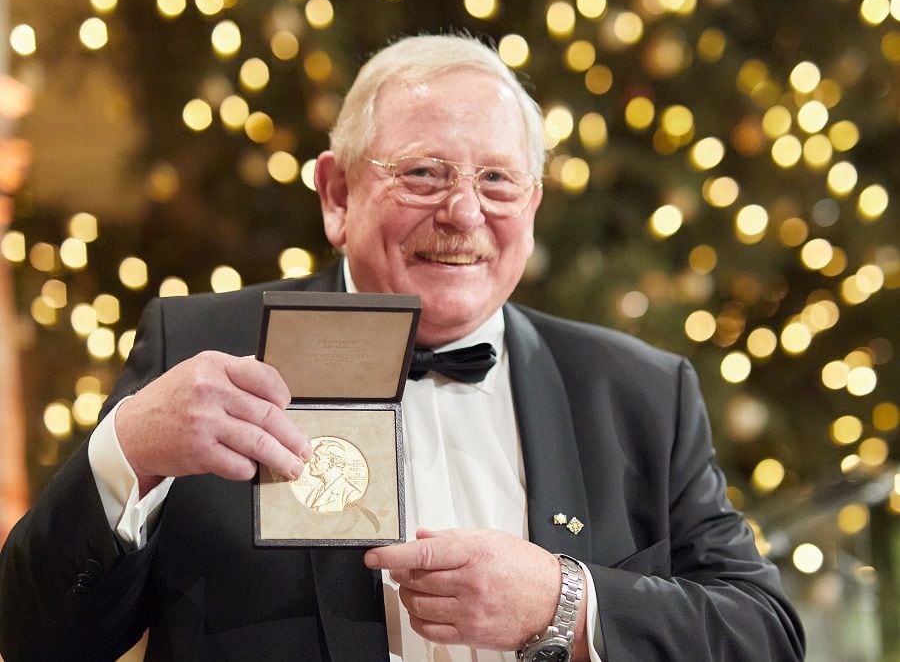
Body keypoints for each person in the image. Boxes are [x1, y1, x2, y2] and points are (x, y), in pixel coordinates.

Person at [0, 34, 805, 661]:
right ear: (337, 194)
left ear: (533, 203)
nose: (463, 211)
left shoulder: (637, 390)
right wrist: (130, 450)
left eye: (497, 180)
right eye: (423, 172)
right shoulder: (201, 351)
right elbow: (38, 638)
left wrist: (567, 600)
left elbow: (765, 634)